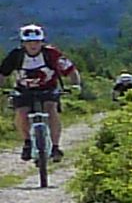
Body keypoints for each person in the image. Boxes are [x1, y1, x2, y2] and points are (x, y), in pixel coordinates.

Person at [10, 27, 80, 163]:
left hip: (48, 89)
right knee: (21, 112)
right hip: (24, 90)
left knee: (51, 109)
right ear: (23, 43)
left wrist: (75, 85)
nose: (33, 45)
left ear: (42, 42)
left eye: (36, 42)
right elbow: (2, 73)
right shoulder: (16, 55)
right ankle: (27, 143)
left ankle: (55, 147)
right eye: (29, 42)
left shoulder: (52, 54)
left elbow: (71, 70)